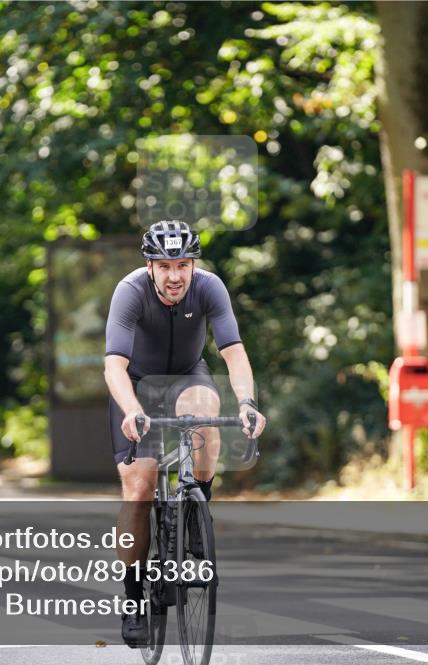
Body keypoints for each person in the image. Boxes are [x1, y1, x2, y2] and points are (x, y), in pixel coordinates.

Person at [104, 220, 266, 646]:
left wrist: (247, 403)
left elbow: (234, 353)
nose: (174, 276)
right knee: (138, 490)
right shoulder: (130, 291)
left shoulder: (209, 288)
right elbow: (114, 366)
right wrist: (132, 410)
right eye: (165, 266)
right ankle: (134, 595)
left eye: (183, 265)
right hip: (137, 385)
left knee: (204, 415)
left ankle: (198, 506)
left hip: (187, 377)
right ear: (150, 266)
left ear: (194, 264)